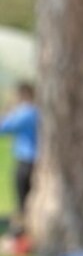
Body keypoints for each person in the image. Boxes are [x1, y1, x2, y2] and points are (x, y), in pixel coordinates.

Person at [0, 80, 38, 238]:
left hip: (27, 161)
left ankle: (24, 233)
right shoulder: (35, 111)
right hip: (32, 160)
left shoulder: (27, 112)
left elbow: (5, 128)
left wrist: (8, 112)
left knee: (24, 198)